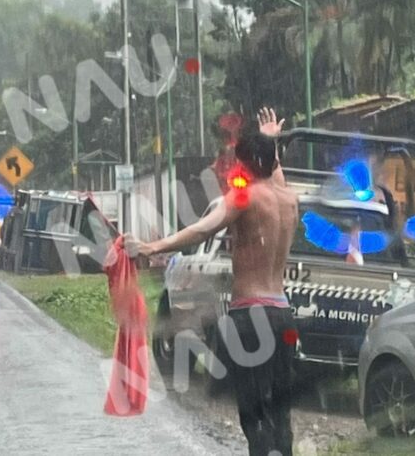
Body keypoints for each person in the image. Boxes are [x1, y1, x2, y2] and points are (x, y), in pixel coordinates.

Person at [127, 107, 300, 456]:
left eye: (241, 164)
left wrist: (153, 246)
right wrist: (271, 141)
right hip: (283, 316)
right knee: (281, 411)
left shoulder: (244, 197)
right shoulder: (289, 198)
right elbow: (272, 169)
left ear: (249, 164)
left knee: (252, 411)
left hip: (250, 316)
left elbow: (203, 228)